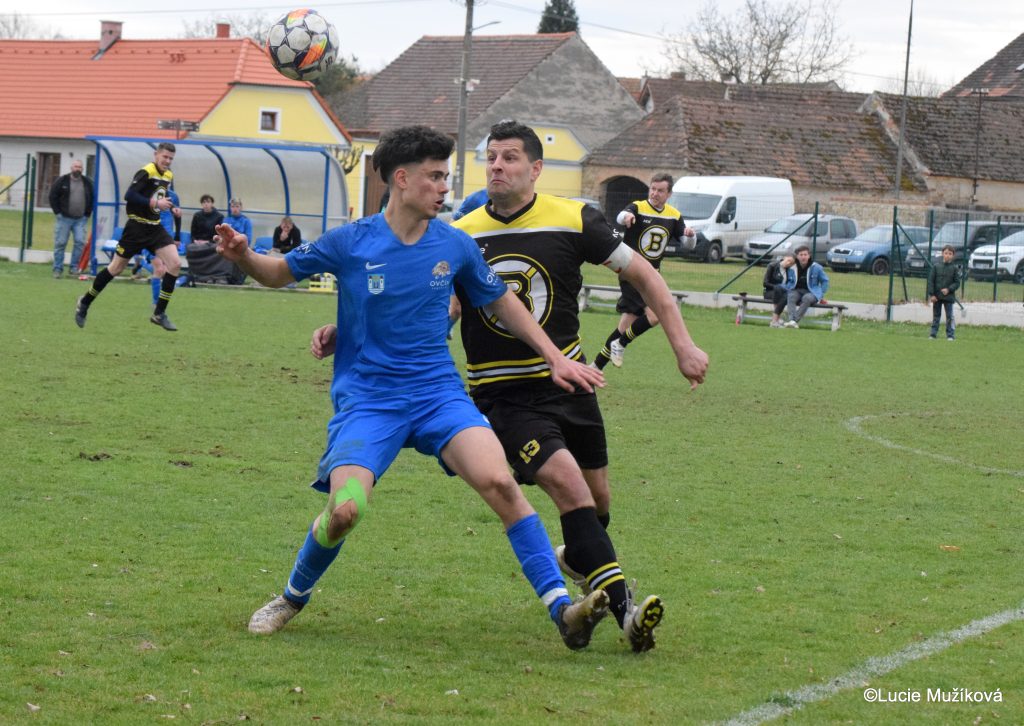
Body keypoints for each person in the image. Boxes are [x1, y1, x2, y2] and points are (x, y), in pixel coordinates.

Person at [215, 125, 609, 648]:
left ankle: (563, 611)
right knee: (345, 510)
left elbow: (501, 300)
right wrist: (244, 255)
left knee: (501, 483)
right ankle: (291, 596)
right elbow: (278, 272)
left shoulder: (455, 244)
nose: (445, 187)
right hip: (369, 404)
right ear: (401, 179)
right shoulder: (352, 241)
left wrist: (554, 356)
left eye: (446, 177)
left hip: (438, 396)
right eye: (435, 176)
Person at [453, 120, 709, 652]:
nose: (497, 166)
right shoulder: (462, 233)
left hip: (572, 383)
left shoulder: (574, 219)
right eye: (491, 157)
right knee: (570, 486)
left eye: (509, 157)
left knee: (597, 503)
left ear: (535, 168)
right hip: (503, 395)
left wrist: (682, 345)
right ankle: (626, 612)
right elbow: (443, 306)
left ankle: (579, 558)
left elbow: (647, 276)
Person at [73, 142, 182, 332]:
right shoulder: (146, 171)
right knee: (115, 268)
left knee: (175, 264)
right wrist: (154, 203)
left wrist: (171, 208)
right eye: (165, 157)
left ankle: (159, 313)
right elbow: (129, 195)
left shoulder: (168, 175)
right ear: (156, 154)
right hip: (136, 228)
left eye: (171, 159)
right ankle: (85, 301)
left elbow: (158, 198)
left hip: (154, 228)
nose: (167, 161)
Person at [591, 173, 694, 369]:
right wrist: (627, 216)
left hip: (653, 276)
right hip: (632, 273)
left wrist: (690, 236)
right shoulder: (638, 207)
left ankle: (595, 368)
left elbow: (688, 245)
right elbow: (620, 216)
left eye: (660, 190)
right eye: (652, 189)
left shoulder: (674, 215)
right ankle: (621, 344)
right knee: (655, 316)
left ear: (669, 194)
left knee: (625, 326)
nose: (655, 193)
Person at [48, 159, 95, 278]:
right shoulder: (62, 181)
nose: (77, 169)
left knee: (80, 242)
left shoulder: (87, 182)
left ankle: (74, 267)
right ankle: (57, 269)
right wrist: (57, 212)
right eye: (75, 166)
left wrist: (87, 214)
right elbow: (52, 196)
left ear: (82, 169)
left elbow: (92, 198)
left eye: (79, 167)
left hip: (80, 219)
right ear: (71, 168)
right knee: (60, 243)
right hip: (64, 218)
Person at [782, 245, 830, 329]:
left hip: (812, 292)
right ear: (797, 256)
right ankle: (791, 320)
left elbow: (825, 281)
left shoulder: (816, 267)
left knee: (807, 298)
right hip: (796, 290)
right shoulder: (792, 267)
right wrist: (788, 288)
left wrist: (821, 294)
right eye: (801, 255)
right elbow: (789, 281)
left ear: (809, 256)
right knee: (791, 296)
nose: (803, 257)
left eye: (805, 254)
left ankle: (793, 321)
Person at [927, 244, 960, 340]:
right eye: (946, 253)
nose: (947, 255)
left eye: (950, 254)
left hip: (949, 297)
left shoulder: (954, 269)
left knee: (949, 316)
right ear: (942, 254)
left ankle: (950, 335)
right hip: (937, 297)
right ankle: (933, 334)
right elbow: (931, 281)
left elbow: (957, 283)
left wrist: (949, 289)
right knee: (936, 316)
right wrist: (932, 294)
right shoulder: (936, 267)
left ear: (953, 255)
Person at [763, 253, 796, 328]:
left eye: (791, 263)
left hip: (783, 294)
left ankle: (775, 320)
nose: (789, 264)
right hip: (770, 292)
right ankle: (777, 319)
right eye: (788, 260)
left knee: (786, 295)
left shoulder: (790, 271)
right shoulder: (772, 266)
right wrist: (778, 287)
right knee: (779, 289)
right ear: (784, 258)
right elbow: (765, 283)